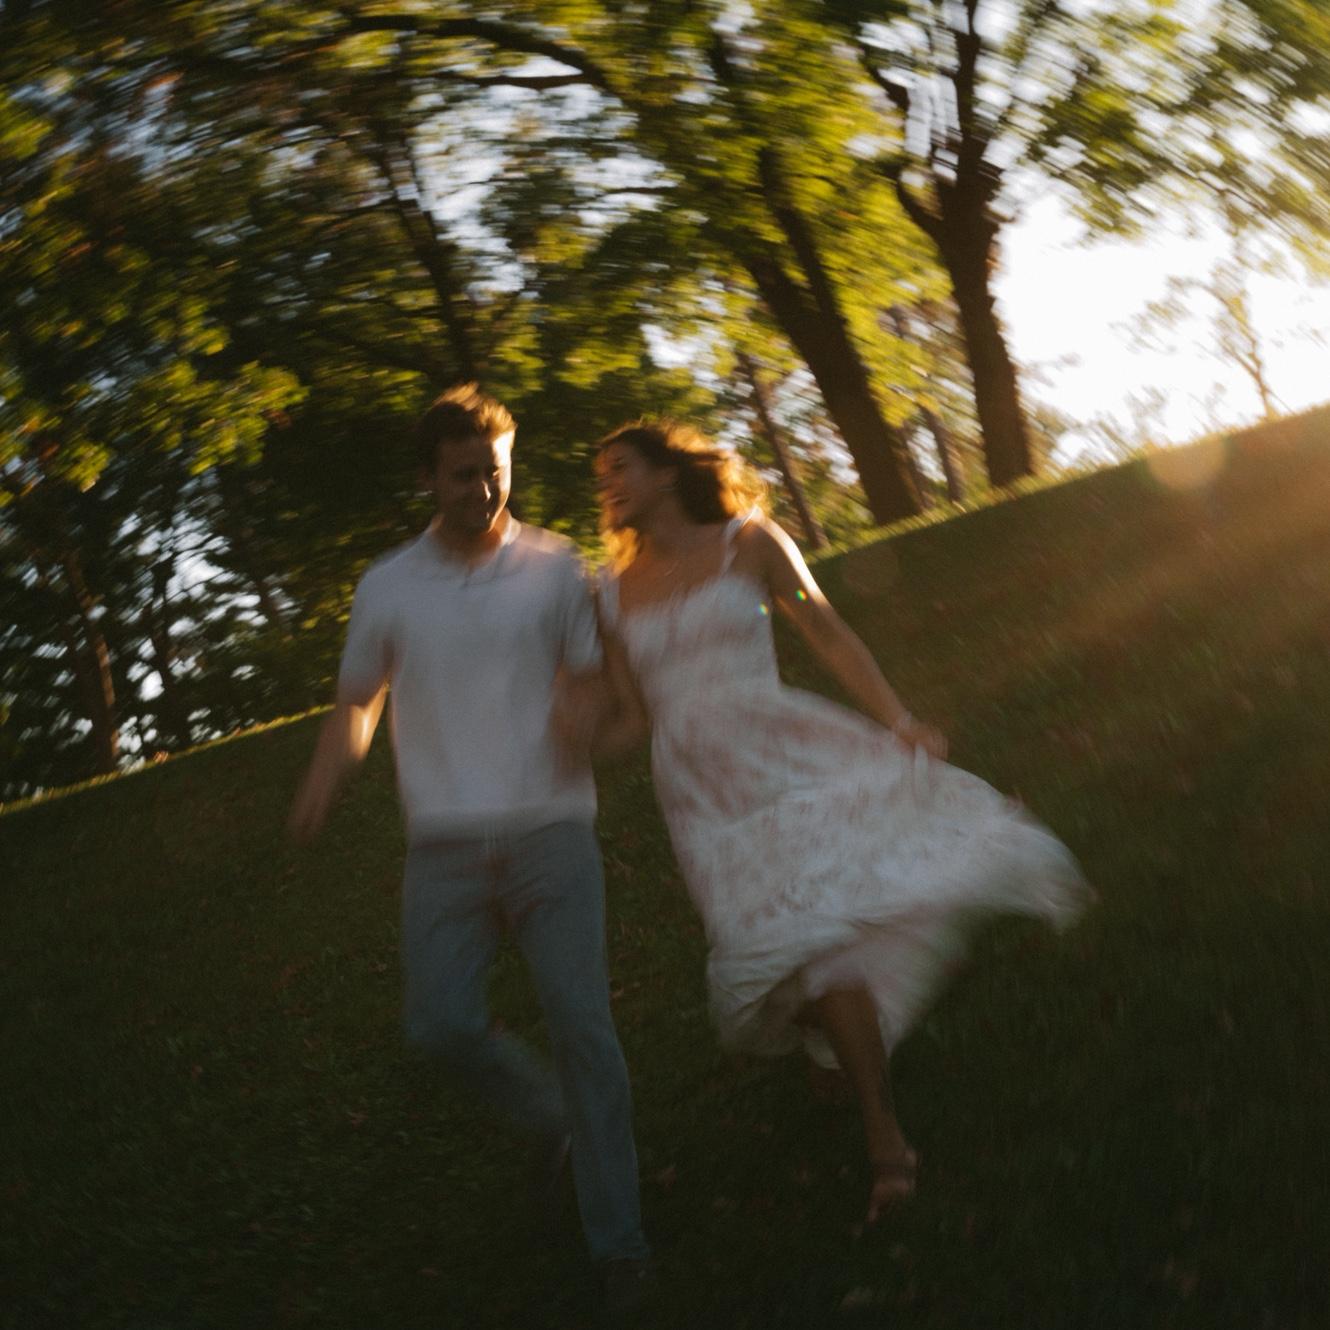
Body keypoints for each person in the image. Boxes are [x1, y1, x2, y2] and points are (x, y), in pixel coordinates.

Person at [589, 419, 1091, 1224]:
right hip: (699, 792)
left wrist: (899, 720)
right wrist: (558, 747)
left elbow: (823, 628)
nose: (608, 485)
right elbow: (630, 716)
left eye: (621, 468)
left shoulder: (748, 542)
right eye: (602, 476)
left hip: (780, 748)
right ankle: (837, 1043)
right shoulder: (609, 594)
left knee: (819, 941)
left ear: (667, 471)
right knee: (773, 941)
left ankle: (884, 1138)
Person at [288, 385, 651, 1315]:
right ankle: (550, 1118)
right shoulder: (387, 587)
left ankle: (618, 1243)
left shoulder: (556, 566)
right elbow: (357, 703)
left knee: (584, 1029)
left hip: (551, 830)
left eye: (495, 472)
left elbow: (587, 678)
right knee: (439, 1023)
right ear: (428, 479)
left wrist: (584, 716)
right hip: (444, 847)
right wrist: (326, 779)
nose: (484, 491)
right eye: (463, 476)